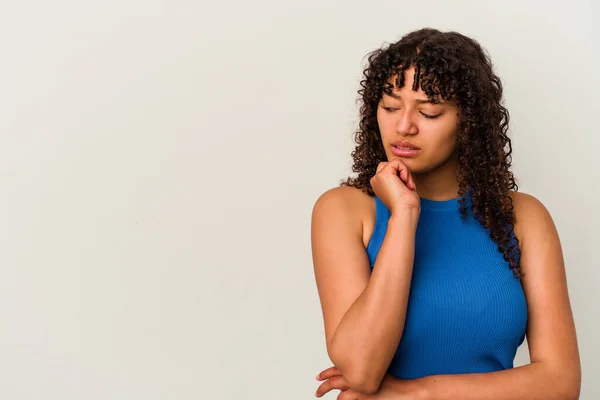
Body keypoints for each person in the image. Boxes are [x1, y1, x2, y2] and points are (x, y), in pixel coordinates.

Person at [310, 28, 581, 400]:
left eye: (429, 112)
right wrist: (404, 215)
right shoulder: (344, 210)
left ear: (468, 122)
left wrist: (416, 394)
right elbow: (361, 368)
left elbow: (560, 382)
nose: (403, 126)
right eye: (390, 106)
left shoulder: (524, 218)